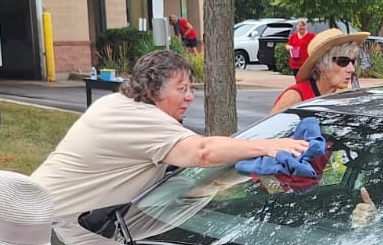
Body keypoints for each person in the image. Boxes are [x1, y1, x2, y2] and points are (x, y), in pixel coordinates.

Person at [33, 48, 308, 222]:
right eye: (182, 89)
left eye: (191, 89)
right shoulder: (139, 118)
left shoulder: (123, 106)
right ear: (152, 90)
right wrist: (267, 146)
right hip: (40, 224)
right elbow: (203, 152)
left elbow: (193, 181)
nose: (189, 97)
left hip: (64, 225)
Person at [270, 29, 370, 115]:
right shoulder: (296, 97)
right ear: (322, 66)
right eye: (343, 62)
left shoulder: (343, 97)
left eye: (353, 61)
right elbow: (268, 130)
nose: (352, 69)